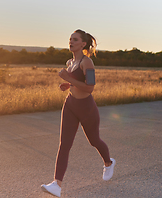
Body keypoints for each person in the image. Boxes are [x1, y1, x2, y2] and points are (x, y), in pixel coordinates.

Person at [41, 29, 115, 197]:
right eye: (70, 39)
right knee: (64, 144)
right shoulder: (70, 63)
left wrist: (68, 79)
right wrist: (68, 86)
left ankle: (108, 163)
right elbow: (77, 83)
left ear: (83, 44)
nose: (71, 42)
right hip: (70, 105)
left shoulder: (87, 62)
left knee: (94, 140)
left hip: (86, 107)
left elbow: (90, 88)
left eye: (75, 39)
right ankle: (56, 185)